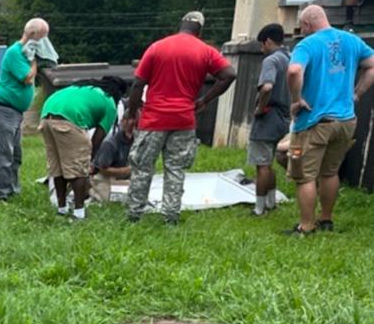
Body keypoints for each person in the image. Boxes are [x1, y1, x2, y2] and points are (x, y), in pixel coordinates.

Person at [123, 12, 237, 225]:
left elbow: (138, 83)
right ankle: (171, 216)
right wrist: (205, 100)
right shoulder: (206, 51)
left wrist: (131, 114)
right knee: (175, 169)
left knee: (142, 166)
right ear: (199, 31)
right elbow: (229, 74)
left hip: (154, 119)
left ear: (180, 26)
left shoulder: (157, 47)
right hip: (184, 119)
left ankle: (134, 215)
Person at [285, 5, 374, 235]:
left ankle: (306, 226)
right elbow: (372, 64)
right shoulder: (352, 41)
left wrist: (296, 99)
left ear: (306, 24)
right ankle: (326, 220)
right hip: (345, 121)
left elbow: (294, 71)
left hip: (315, 121)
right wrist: (358, 93)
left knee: (305, 176)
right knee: (330, 172)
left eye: (302, 26)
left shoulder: (307, 44)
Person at [38, 77, 127, 219]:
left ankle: (62, 209)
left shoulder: (83, 88)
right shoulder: (109, 101)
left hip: (46, 115)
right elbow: (98, 138)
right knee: (79, 170)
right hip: (69, 119)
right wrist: (90, 161)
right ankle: (79, 213)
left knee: (58, 167)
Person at [0, 18, 49, 202]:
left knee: (16, 155)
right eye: (41, 38)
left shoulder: (24, 55)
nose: (42, 43)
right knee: (5, 154)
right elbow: (28, 78)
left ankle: (13, 189)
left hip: (15, 113)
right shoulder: (15, 53)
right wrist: (35, 61)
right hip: (3, 109)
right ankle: (1, 195)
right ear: (31, 35)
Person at [248, 23, 291, 216]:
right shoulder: (289, 58)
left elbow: (266, 87)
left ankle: (259, 208)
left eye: (261, 45)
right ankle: (272, 203)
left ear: (268, 41)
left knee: (262, 165)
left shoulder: (271, 60)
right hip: (283, 117)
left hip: (268, 117)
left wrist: (259, 108)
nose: (261, 49)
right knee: (270, 161)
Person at [90, 120, 133, 202]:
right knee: (104, 200)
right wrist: (126, 170)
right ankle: (89, 190)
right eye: (130, 128)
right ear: (122, 123)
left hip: (125, 172)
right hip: (102, 174)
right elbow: (103, 170)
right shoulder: (110, 143)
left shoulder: (138, 140)